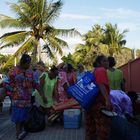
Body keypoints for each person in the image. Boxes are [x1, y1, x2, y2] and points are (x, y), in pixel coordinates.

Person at [3, 54, 46, 139]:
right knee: (18, 117)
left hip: (27, 100)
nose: (29, 65)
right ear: (24, 62)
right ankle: (18, 134)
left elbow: (35, 84)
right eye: (28, 63)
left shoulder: (30, 72)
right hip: (17, 100)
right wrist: (13, 91)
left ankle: (21, 132)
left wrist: (42, 94)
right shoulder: (13, 71)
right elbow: (6, 83)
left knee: (24, 117)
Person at [85, 55, 112, 140]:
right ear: (99, 63)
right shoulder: (101, 70)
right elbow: (101, 85)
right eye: (104, 61)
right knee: (102, 128)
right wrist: (107, 100)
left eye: (107, 61)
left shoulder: (94, 71)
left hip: (90, 102)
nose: (107, 63)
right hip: (98, 104)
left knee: (90, 128)